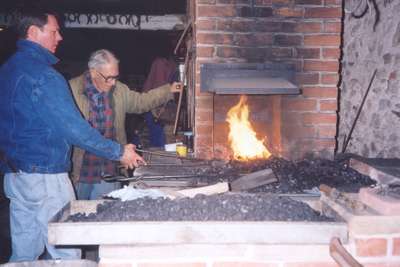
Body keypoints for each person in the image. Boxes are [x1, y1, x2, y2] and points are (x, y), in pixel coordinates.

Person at [0, 8, 144, 262]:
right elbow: (74, 128)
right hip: (46, 178)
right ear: (34, 32)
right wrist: (119, 151)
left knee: (24, 252)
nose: (60, 37)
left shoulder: (7, 70)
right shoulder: (45, 76)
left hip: (16, 176)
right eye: (54, 31)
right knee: (66, 251)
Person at [69, 49, 181, 200]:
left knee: (106, 214)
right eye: (109, 78)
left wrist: (168, 90)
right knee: (76, 214)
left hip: (109, 169)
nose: (114, 82)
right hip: (80, 170)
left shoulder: (119, 90)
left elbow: (141, 102)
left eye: (116, 77)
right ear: (94, 72)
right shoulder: (71, 90)